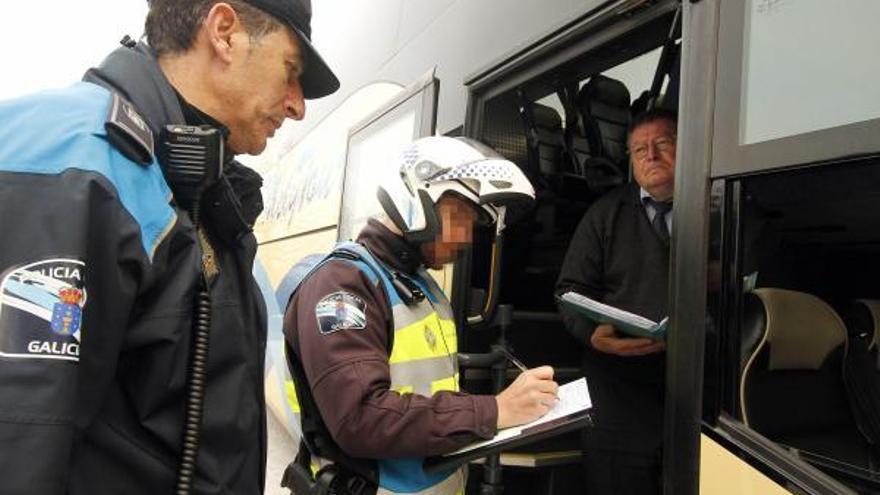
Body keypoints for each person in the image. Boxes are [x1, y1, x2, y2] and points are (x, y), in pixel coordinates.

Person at [0, 1, 338, 493]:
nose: (296, 104)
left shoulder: (189, 182)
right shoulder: (80, 162)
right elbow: (19, 445)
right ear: (224, 32)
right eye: (291, 71)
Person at [283, 136, 560, 494]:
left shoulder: (423, 285)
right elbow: (360, 418)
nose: (465, 239)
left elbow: (429, 392)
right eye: (459, 218)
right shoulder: (343, 283)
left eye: (472, 226)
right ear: (416, 197)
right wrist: (494, 411)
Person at [555, 108, 678, 494]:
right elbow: (569, 290)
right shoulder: (605, 213)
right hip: (618, 391)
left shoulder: (721, 202)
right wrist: (594, 336)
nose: (650, 156)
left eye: (662, 144)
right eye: (639, 150)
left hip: (699, 388)